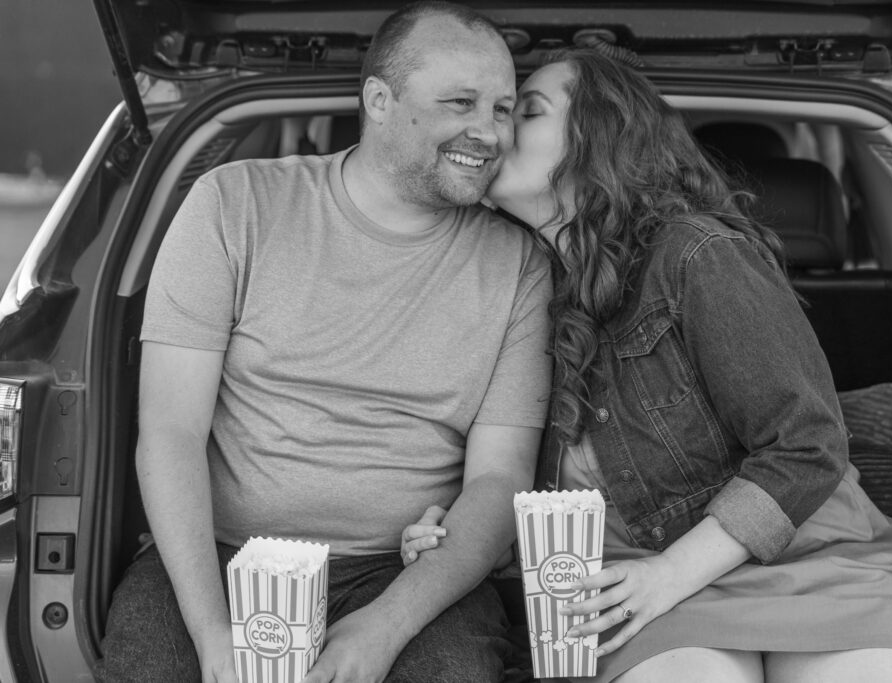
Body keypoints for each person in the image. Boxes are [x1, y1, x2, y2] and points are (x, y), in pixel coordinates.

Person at [401, 49, 892, 682]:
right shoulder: (514, 290)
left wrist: (668, 576)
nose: (497, 131)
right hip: (635, 592)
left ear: (600, 135)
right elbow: (547, 493)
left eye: (525, 111)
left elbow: (808, 445)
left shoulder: (695, 254)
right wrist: (462, 538)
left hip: (809, 564)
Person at [97, 3, 552, 682]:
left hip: (404, 568)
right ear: (379, 100)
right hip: (220, 553)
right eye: (461, 102)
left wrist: (386, 624)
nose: (488, 133)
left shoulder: (520, 264)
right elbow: (169, 430)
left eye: (503, 108)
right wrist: (213, 633)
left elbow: (499, 479)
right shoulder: (234, 204)